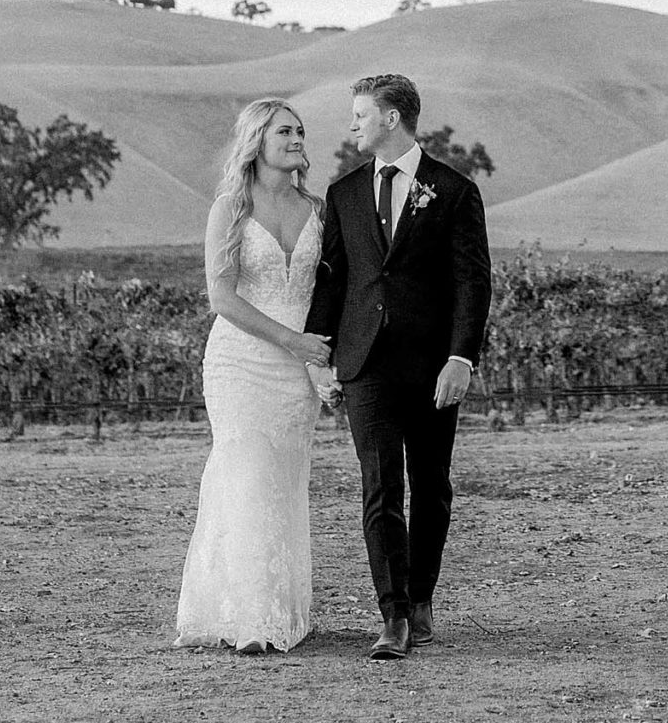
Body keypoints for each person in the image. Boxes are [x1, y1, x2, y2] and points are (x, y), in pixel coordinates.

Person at [305, 72, 492, 660]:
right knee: (379, 486)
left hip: (435, 364)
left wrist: (460, 357)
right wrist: (319, 350)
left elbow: (472, 282)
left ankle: (422, 596)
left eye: (360, 114)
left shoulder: (454, 191)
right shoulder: (344, 193)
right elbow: (331, 280)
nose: (353, 125)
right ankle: (393, 616)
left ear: (391, 118)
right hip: (366, 364)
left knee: (431, 487)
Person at [175, 97, 331, 652]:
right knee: (247, 474)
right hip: (240, 363)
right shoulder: (230, 208)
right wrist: (293, 342)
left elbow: (330, 293)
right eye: (285, 130)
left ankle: (281, 609)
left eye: (300, 131)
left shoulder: (318, 208)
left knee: (285, 482)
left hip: (299, 373)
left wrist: (320, 361)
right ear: (257, 140)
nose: (296, 139)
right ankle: (247, 618)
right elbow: (221, 298)